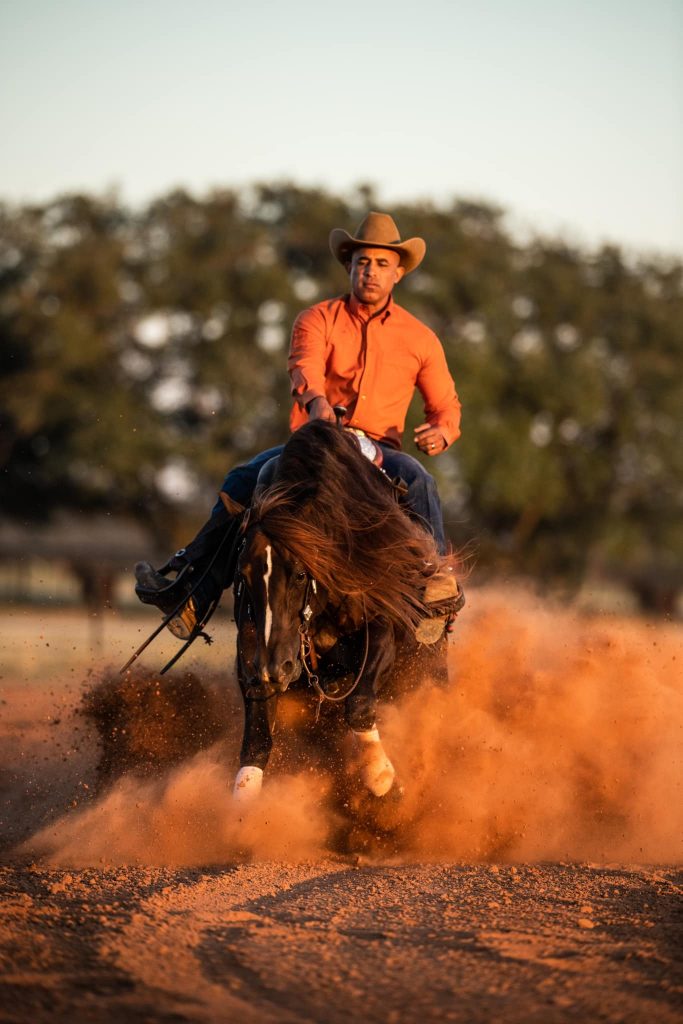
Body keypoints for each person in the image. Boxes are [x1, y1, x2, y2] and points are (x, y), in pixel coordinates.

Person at [135, 212, 462, 643]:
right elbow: (303, 364)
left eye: (382, 264)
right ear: (349, 266)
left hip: (378, 449)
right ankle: (194, 591)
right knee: (242, 478)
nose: (371, 271)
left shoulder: (421, 339)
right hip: (318, 441)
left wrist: (441, 431)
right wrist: (317, 400)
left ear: (398, 273)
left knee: (419, 481)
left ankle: (434, 589)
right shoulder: (317, 319)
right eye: (363, 262)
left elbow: (446, 406)